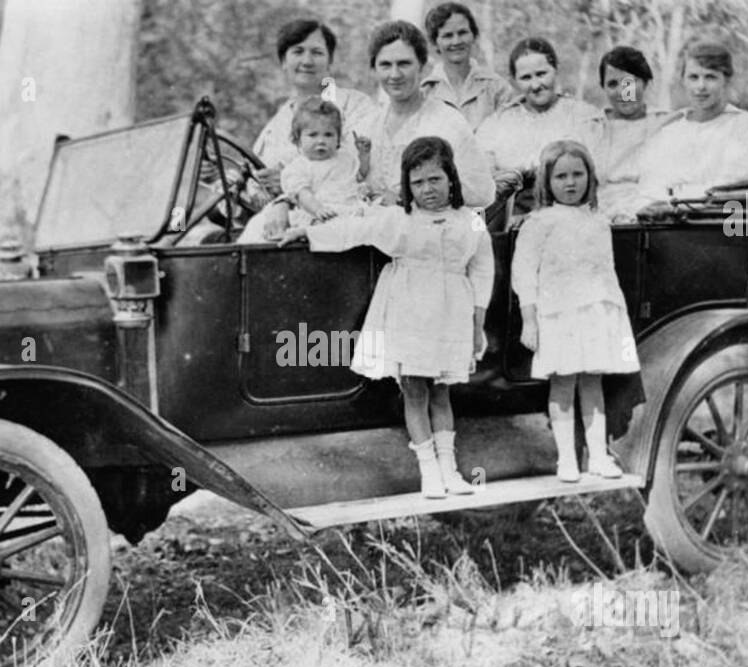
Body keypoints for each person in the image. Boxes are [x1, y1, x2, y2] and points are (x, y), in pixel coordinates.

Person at [279, 137, 493, 498]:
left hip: (451, 315)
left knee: (442, 393)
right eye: (418, 182)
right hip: (409, 312)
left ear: (451, 179)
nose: (428, 189)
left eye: (435, 179)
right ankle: (429, 473)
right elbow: (352, 230)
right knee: (414, 390)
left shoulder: (470, 222)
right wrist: (308, 231)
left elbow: (483, 270)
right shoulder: (398, 219)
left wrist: (477, 323)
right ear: (408, 187)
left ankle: (450, 470)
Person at [512, 140, 639, 482]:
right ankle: (566, 459)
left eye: (578, 175)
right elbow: (523, 272)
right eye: (561, 177)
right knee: (563, 385)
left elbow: (603, 271)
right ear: (547, 183)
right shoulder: (539, 222)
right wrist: (530, 319)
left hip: (596, 313)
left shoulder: (598, 220)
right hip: (558, 314)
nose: (571, 183)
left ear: (590, 177)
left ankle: (598, 456)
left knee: (592, 384)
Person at [359, 20, 495, 209]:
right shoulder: (367, 125)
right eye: (385, 65)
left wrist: (406, 199)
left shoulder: (447, 122)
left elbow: (481, 193)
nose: (395, 74)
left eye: (404, 63)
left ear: (422, 66)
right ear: (374, 69)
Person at [632, 40, 748, 206]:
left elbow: (727, 188)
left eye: (710, 77)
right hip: (662, 222)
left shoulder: (744, 126)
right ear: (683, 80)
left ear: (726, 80)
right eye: (693, 77)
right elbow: (649, 188)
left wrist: (672, 197)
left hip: (712, 223)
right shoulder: (670, 131)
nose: (701, 86)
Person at [476, 37, 604, 212]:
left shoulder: (583, 117)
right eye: (526, 78)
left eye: (542, 74)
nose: (536, 85)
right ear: (513, 80)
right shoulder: (497, 124)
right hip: (514, 219)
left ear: (556, 69)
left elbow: (598, 174)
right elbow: (482, 178)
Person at [251, 19, 381, 189]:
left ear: (330, 61)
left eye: (317, 53)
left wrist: (290, 181)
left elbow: (357, 169)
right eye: (298, 52)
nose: (307, 61)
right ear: (283, 61)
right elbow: (255, 175)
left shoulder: (356, 106)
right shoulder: (276, 124)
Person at [247, 99, 370, 241]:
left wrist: (364, 156)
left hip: (349, 207)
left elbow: (360, 175)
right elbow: (303, 195)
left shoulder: (344, 158)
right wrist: (318, 209)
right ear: (298, 140)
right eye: (313, 135)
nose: (321, 140)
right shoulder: (299, 167)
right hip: (318, 210)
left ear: (338, 139)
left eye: (328, 135)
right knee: (322, 226)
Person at [581, 46, 671, 218]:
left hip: (655, 220)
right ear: (603, 88)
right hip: (603, 222)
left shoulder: (666, 124)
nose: (624, 92)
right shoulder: (590, 129)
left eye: (629, 82)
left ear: (646, 83)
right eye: (613, 84)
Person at [419, 2, 515, 129]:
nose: (456, 41)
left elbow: (510, 136)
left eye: (462, 32)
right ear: (435, 43)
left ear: (473, 35)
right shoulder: (425, 92)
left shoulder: (497, 88)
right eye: (448, 35)